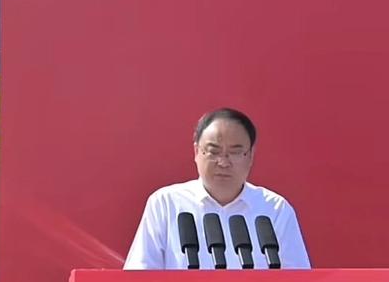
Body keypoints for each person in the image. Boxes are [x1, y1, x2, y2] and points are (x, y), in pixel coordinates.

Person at [124, 108, 310, 270]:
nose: (223, 162)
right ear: (197, 152)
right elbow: (140, 276)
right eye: (213, 151)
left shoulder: (275, 209)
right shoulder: (166, 204)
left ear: (251, 156)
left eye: (235, 152)